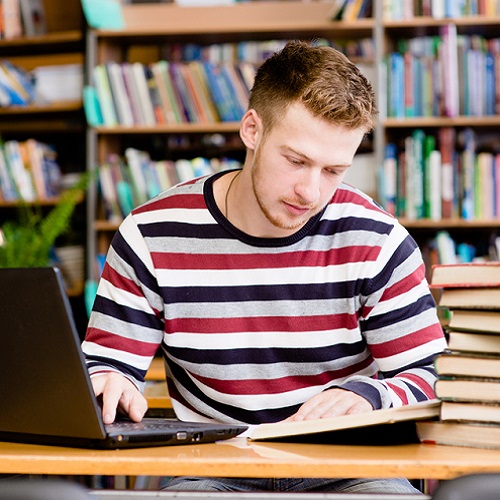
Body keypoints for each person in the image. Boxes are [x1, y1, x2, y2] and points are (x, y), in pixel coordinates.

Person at [83, 40, 447, 494]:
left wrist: (368, 395)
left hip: (353, 467)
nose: (310, 192)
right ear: (252, 130)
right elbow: (105, 366)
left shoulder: (376, 239)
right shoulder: (151, 233)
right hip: (213, 468)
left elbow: (434, 374)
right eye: (296, 161)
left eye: (334, 170)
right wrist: (108, 382)